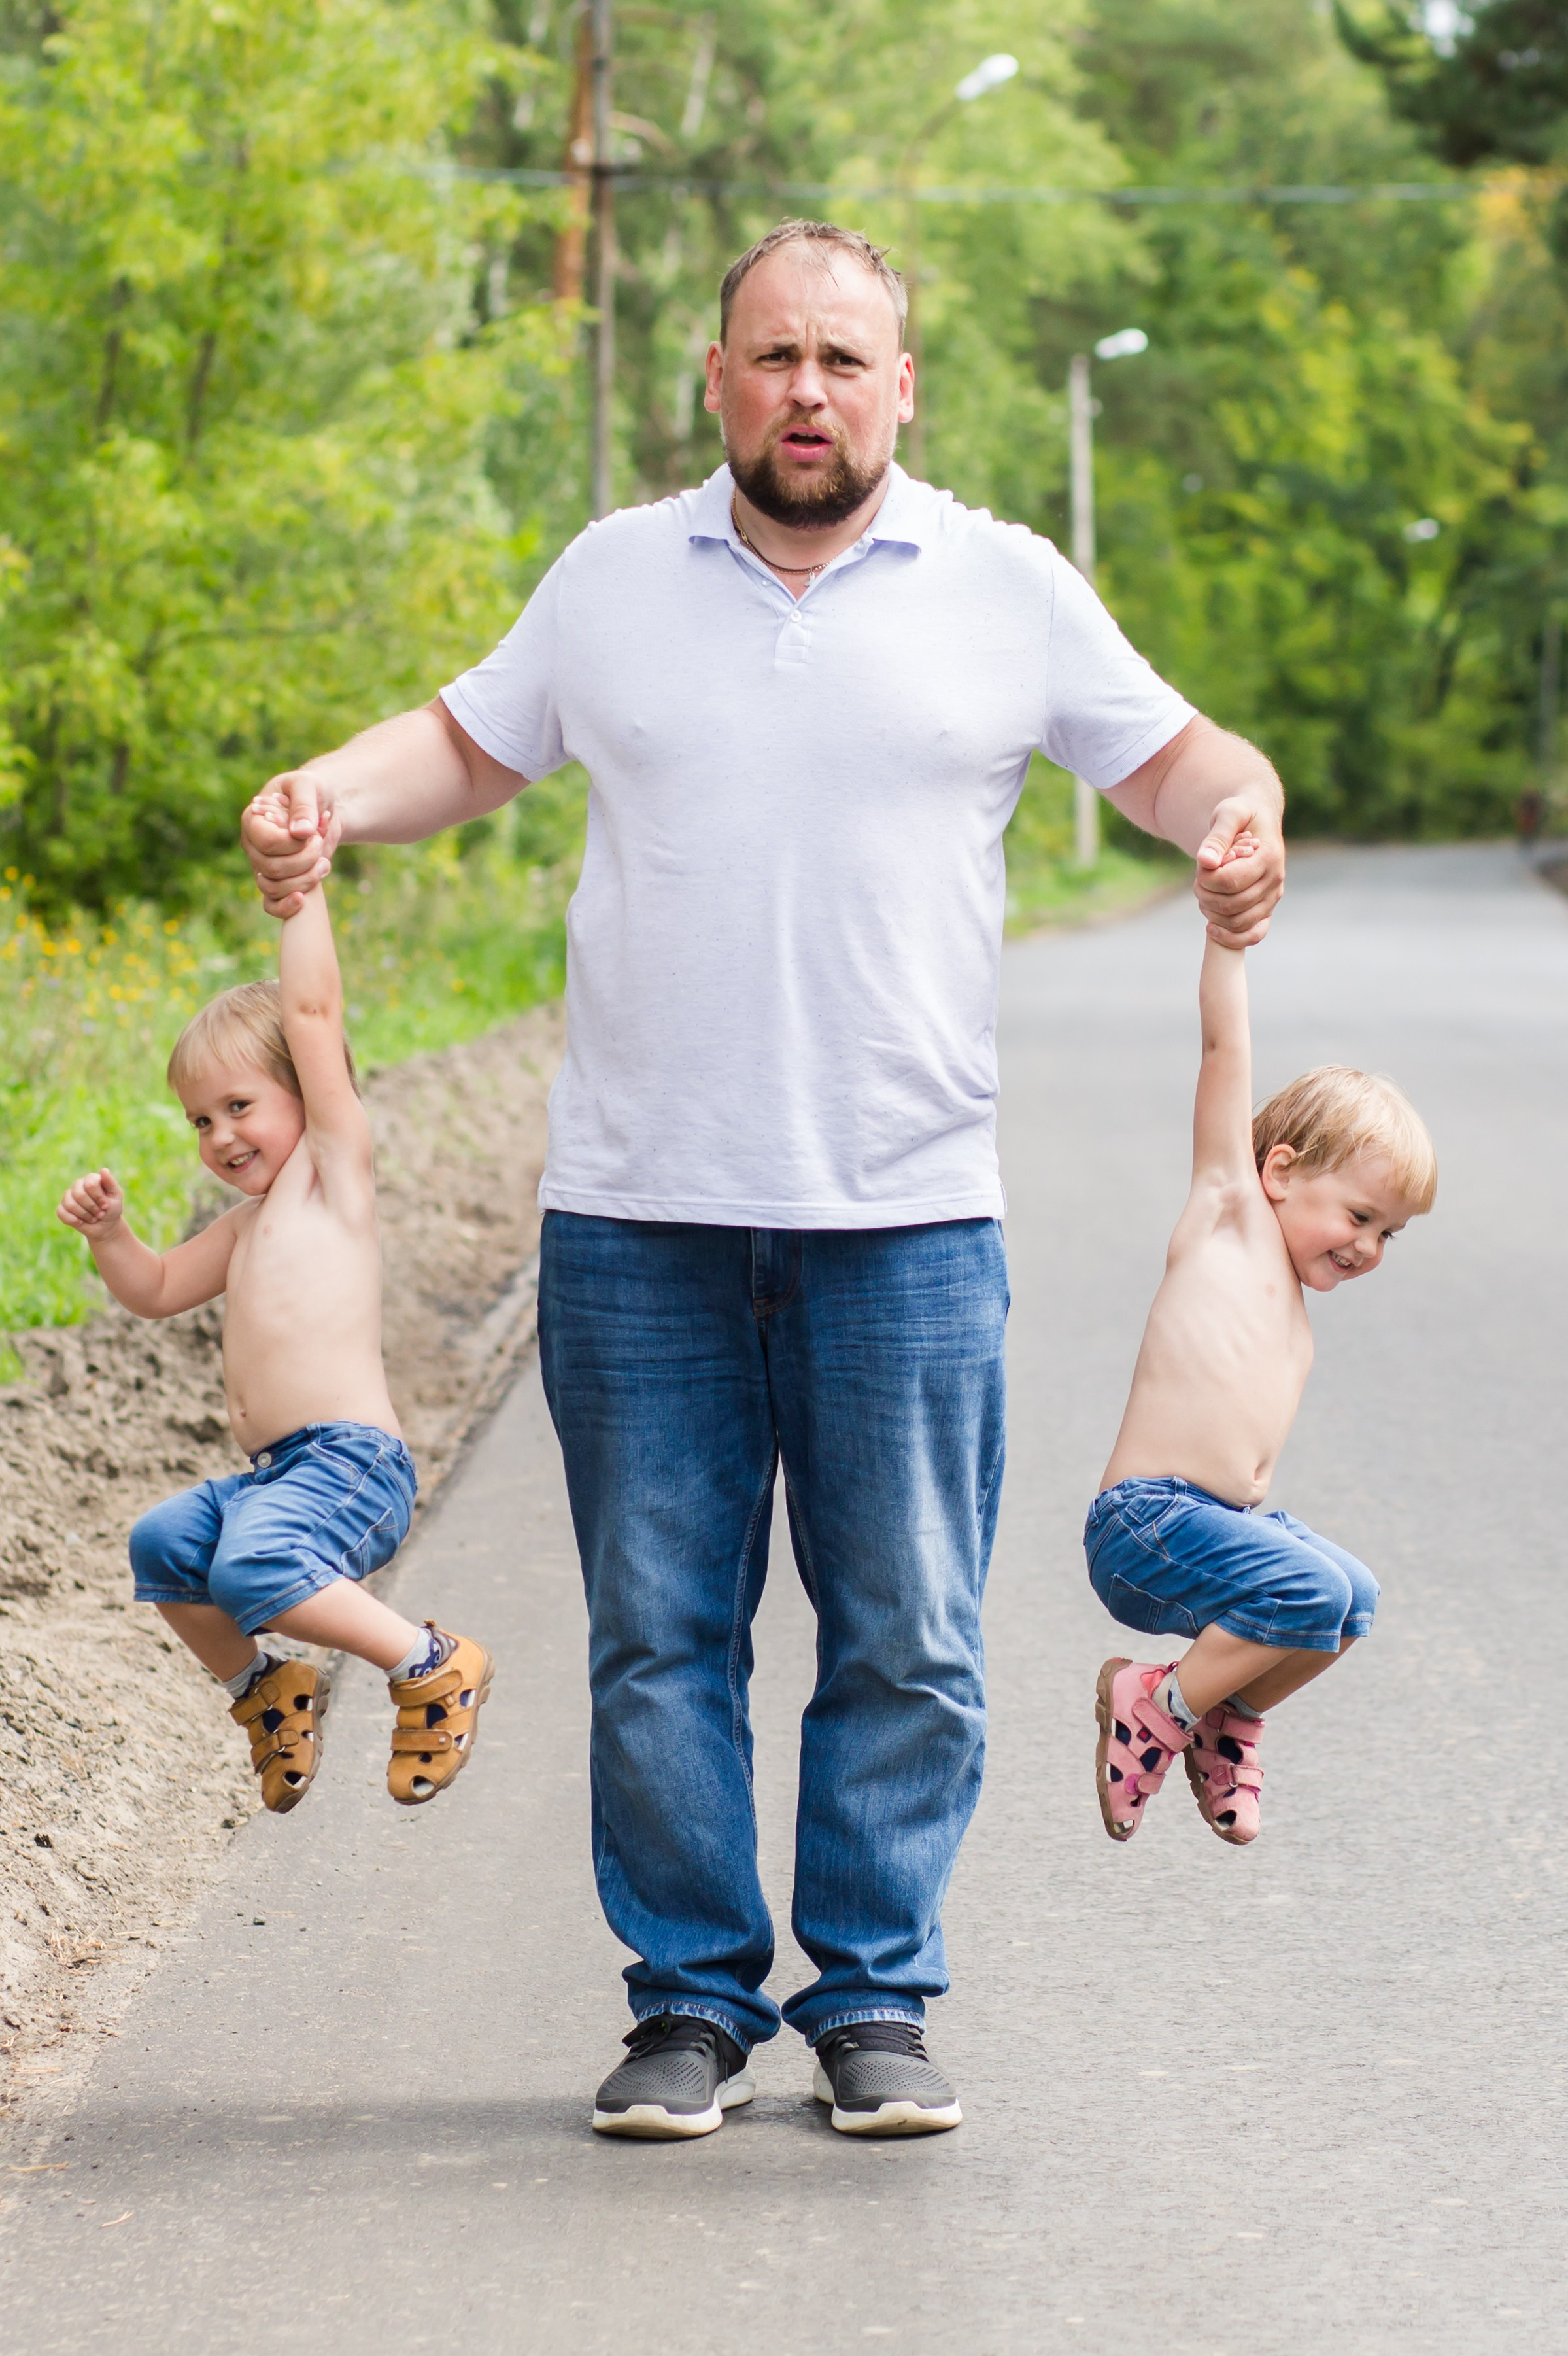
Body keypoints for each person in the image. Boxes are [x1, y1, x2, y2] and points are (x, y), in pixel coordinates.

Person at [241, 217, 1287, 2141]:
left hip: (908, 1218)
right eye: (774, 356)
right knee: (659, 1639)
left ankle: (873, 1997)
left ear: (901, 388)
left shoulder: (1002, 585)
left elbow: (1182, 761)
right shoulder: (613, 577)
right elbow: (465, 746)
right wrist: (325, 792)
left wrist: (1243, 814)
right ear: (717, 378)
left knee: (909, 1634)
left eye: (841, 359)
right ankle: (689, 2005)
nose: (807, 390)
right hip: (638, 1215)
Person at [55, 842, 494, 1817]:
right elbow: (156, 1290)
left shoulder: (332, 1175)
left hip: (350, 1463)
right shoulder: (245, 1225)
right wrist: (111, 1236)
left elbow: (314, 1013)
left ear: (310, 1089)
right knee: (165, 1546)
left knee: (252, 1564)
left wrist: (301, 898)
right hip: (276, 1477)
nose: (220, 1136)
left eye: (239, 1106)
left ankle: (429, 1661)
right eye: (199, 1121)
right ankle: (266, 1689)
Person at [1085, 895, 1436, 1845]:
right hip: (1146, 1523)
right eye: (1358, 1215)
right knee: (1309, 1591)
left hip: (1220, 1529)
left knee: (1351, 1599)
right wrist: (1225, 945)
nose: (1368, 1246)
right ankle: (1154, 1701)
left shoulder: (1294, 1307)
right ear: (1278, 1171)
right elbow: (1222, 1050)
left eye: (1388, 1233)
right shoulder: (1228, 1218)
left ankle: (1223, 1713)